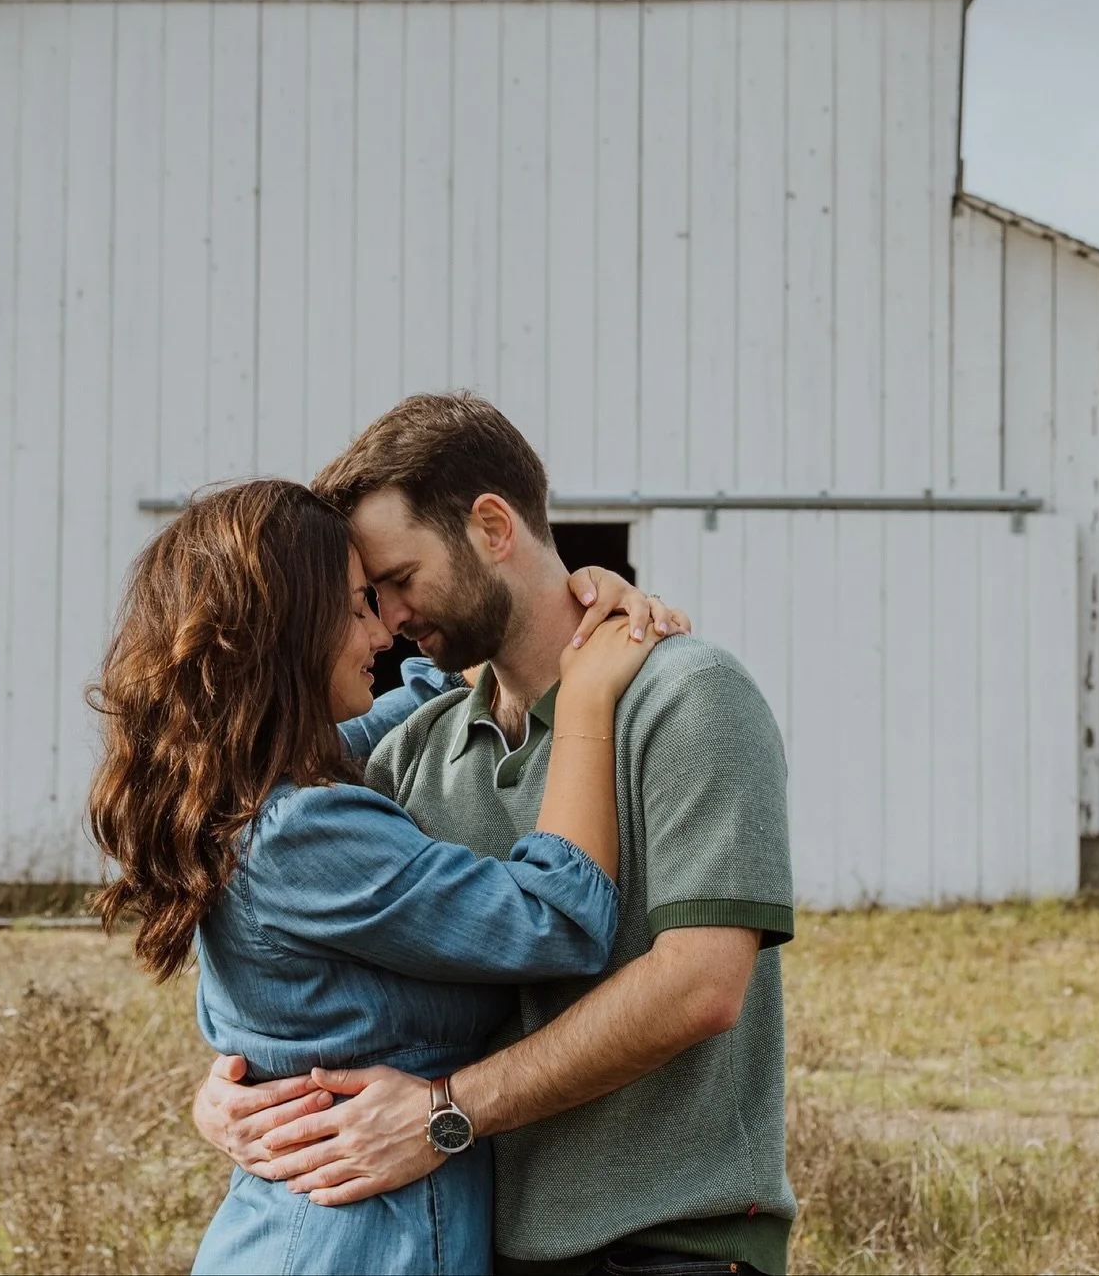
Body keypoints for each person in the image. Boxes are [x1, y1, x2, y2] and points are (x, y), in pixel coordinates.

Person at [195, 394, 796, 1276]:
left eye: (398, 577)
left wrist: (445, 1110)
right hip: (477, 1245)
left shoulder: (687, 696)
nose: (387, 617)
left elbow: (700, 986)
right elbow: (306, 940)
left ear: (490, 525)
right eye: (369, 595)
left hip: (664, 1246)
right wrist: (233, 1091)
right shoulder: (410, 749)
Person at [86, 476, 683, 1276]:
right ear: (289, 629)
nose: (384, 632)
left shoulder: (250, 790)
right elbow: (560, 919)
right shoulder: (302, 829)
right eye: (362, 604)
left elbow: (427, 696)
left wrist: (572, 606)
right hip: (354, 1246)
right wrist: (584, 705)